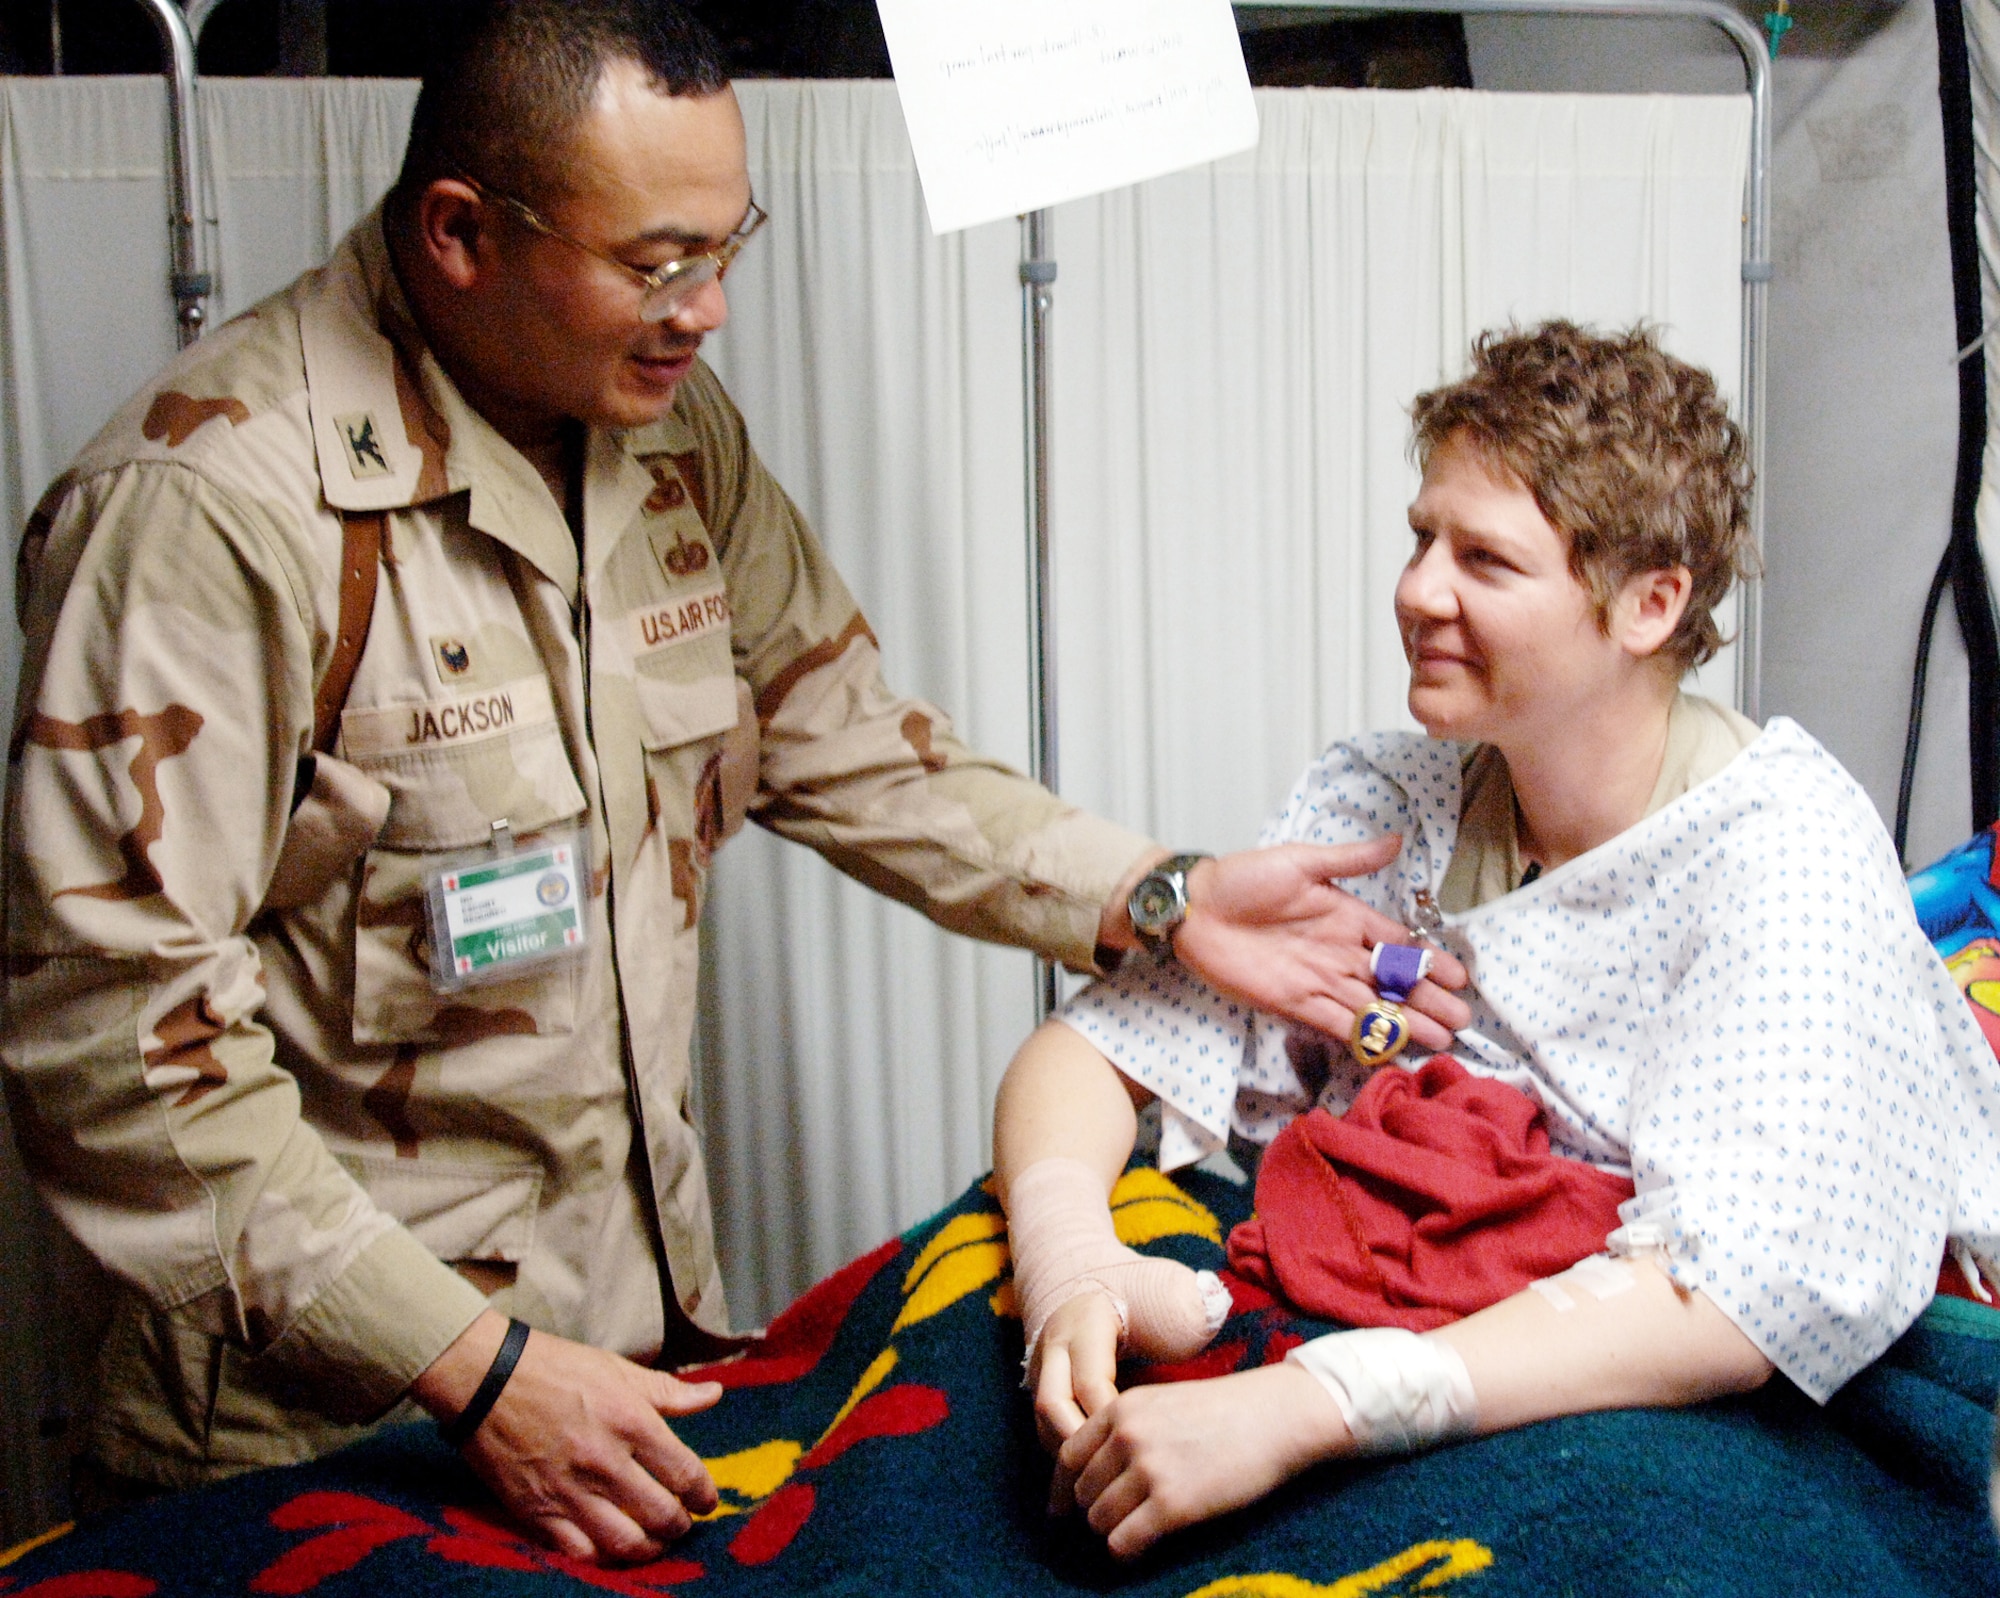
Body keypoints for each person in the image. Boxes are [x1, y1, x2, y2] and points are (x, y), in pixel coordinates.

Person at [0, 0, 1475, 1564]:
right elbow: (114, 1041)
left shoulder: (666, 437)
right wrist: (477, 1369)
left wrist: (1158, 896)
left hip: (634, 1367)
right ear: (457, 235)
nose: (705, 309)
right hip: (329, 1418)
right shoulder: (210, 510)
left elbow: (848, 740)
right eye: (654, 262)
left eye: (726, 245)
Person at [994, 322, 2000, 1561]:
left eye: (1483, 558)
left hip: (1649, 1356)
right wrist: (1070, 1265)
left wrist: (1311, 1405)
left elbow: (1736, 1298)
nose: (1418, 588)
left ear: (1649, 601)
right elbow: (1090, 1050)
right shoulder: (1384, 803)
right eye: (1420, 536)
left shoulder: (1778, 855)